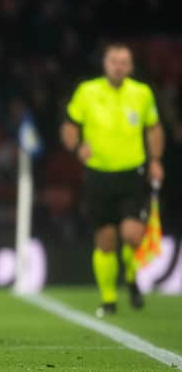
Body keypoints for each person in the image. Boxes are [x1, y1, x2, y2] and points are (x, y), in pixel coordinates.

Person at [61, 43, 165, 317]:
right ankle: (108, 299)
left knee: (132, 235)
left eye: (124, 62)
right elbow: (70, 126)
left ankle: (130, 276)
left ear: (130, 67)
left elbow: (153, 128)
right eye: (113, 61)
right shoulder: (88, 91)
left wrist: (155, 160)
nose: (118, 66)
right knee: (105, 240)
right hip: (98, 174)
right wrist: (76, 147)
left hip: (133, 173)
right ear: (105, 64)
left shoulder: (141, 93)